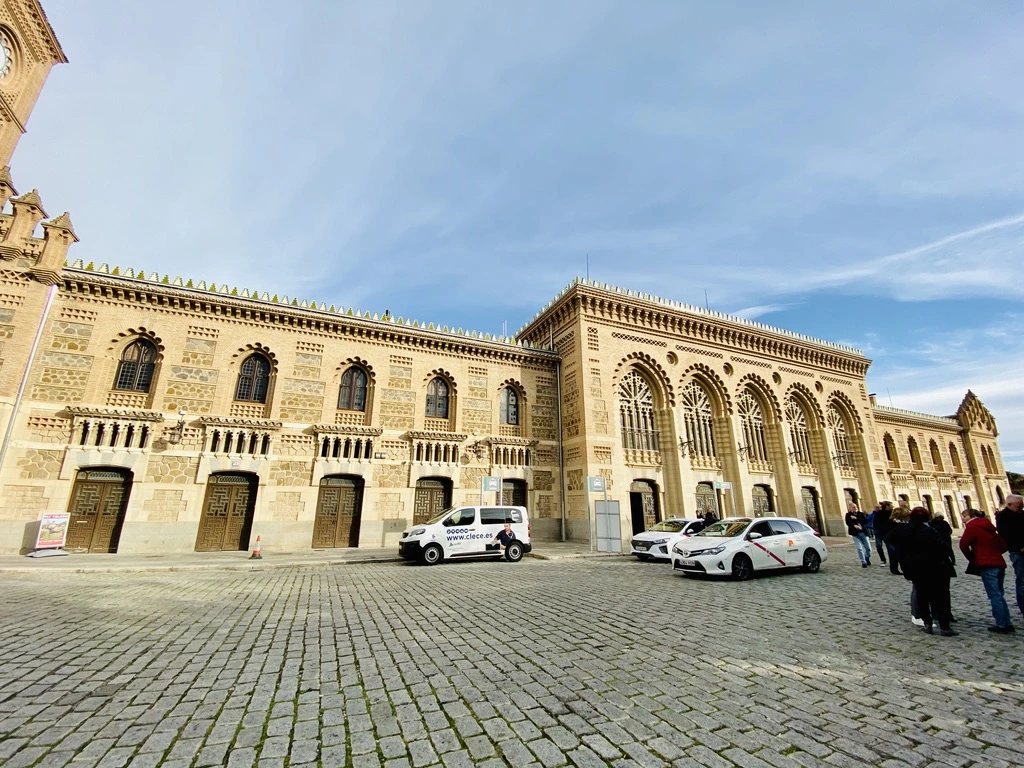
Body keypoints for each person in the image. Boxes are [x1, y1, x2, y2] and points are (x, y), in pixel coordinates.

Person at [887, 507, 956, 636]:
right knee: (940, 598)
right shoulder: (929, 531)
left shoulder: (902, 531)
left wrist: (905, 561)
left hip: (916, 569)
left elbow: (892, 541)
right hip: (935, 568)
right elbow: (944, 548)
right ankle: (944, 627)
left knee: (922, 597)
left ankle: (927, 624)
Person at [960, 508, 1015, 634]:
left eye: (964, 516)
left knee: (994, 596)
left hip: (987, 564)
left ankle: (1001, 624)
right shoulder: (988, 526)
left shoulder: (972, 526)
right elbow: (1003, 545)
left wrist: (973, 557)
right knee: (999, 595)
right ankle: (1007, 622)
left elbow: (963, 545)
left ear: (970, 516)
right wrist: (994, 553)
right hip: (999, 563)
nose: (963, 519)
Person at [995, 494, 1024, 621]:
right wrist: (1019, 547)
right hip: (1017, 551)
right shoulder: (1003, 516)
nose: (1020, 508)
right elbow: (1005, 535)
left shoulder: (1022, 514)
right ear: (1009, 504)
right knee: (1022, 580)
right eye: (1018, 506)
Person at [875, 501, 899, 574]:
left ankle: (897, 567)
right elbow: (876, 524)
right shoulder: (879, 514)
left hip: (895, 534)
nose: (893, 506)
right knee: (892, 551)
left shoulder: (894, 513)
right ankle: (893, 568)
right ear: (887, 506)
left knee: (896, 551)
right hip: (886, 535)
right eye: (891, 505)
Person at [845, 503, 871, 568]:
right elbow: (848, 523)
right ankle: (863, 562)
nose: (855, 508)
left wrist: (856, 518)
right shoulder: (848, 515)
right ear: (850, 508)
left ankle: (867, 557)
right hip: (855, 534)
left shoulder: (860, 514)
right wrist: (854, 525)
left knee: (868, 548)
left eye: (856, 506)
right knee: (859, 548)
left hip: (864, 533)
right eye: (853, 507)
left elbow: (865, 521)